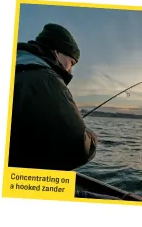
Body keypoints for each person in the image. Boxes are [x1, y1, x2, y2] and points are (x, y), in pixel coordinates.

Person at [9, 23, 98, 171]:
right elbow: (77, 147)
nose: (71, 70)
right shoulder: (44, 78)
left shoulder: (17, 66)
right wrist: (91, 137)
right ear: (57, 52)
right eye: (71, 62)